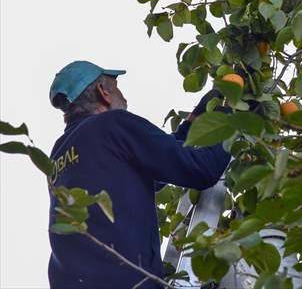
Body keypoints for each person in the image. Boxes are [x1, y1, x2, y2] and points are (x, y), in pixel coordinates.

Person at [47, 60, 231, 288]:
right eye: (116, 88)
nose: (124, 97)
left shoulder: (59, 154)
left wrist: (196, 120)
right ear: (103, 92)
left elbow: (150, 167)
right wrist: (230, 121)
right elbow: (202, 169)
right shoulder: (112, 124)